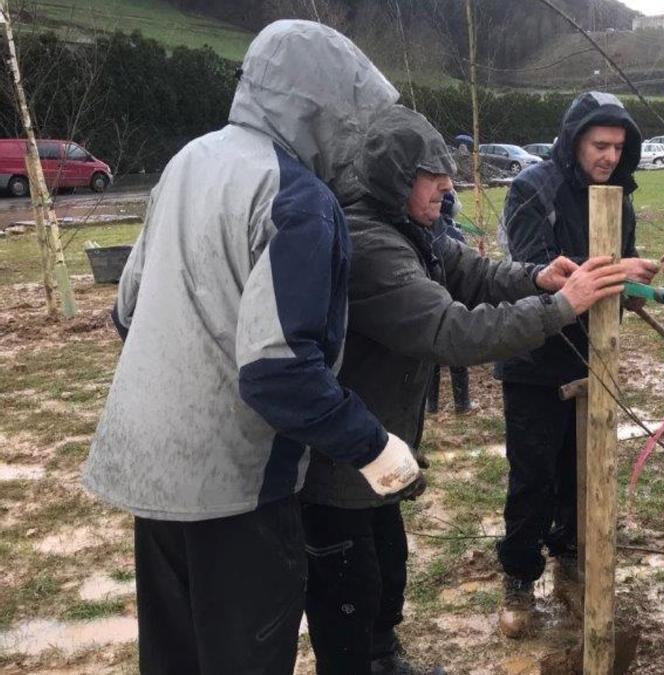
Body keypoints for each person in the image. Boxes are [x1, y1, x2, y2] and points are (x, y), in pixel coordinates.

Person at [83, 21, 419, 675]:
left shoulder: (189, 160)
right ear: (322, 108)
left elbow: (127, 311)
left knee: (177, 657)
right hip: (236, 491)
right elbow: (279, 372)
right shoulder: (299, 198)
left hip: (152, 475)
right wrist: (378, 450)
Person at [299, 104, 628, 675]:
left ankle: (384, 660)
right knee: (349, 590)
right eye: (434, 176)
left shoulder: (412, 230)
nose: (448, 186)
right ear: (398, 179)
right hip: (339, 459)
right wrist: (560, 305)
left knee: (385, 569)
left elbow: (472, 272)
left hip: (375, 446)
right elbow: (452, 331)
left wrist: (535, 277)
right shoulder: (371, 246)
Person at [493, 91, 660, 637]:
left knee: (579, 471)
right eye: (599, 144)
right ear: (574, 141)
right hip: (534, 358)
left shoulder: (620, 196)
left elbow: (612, 279)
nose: (609, 157)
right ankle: (519, 576)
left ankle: (569, 560)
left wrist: (633, 287)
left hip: (593, 356)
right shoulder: (532, 188)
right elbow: (531, 274)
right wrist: (606, 276)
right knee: (533, 474)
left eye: (618, 146)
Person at [426, 193, 473, 415]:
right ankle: (462, 404)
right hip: (450, 299)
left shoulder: (429, 228)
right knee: (456, 353)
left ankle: (431, 405)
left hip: (433, 300)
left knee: (430, 355)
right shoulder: (449, 232)